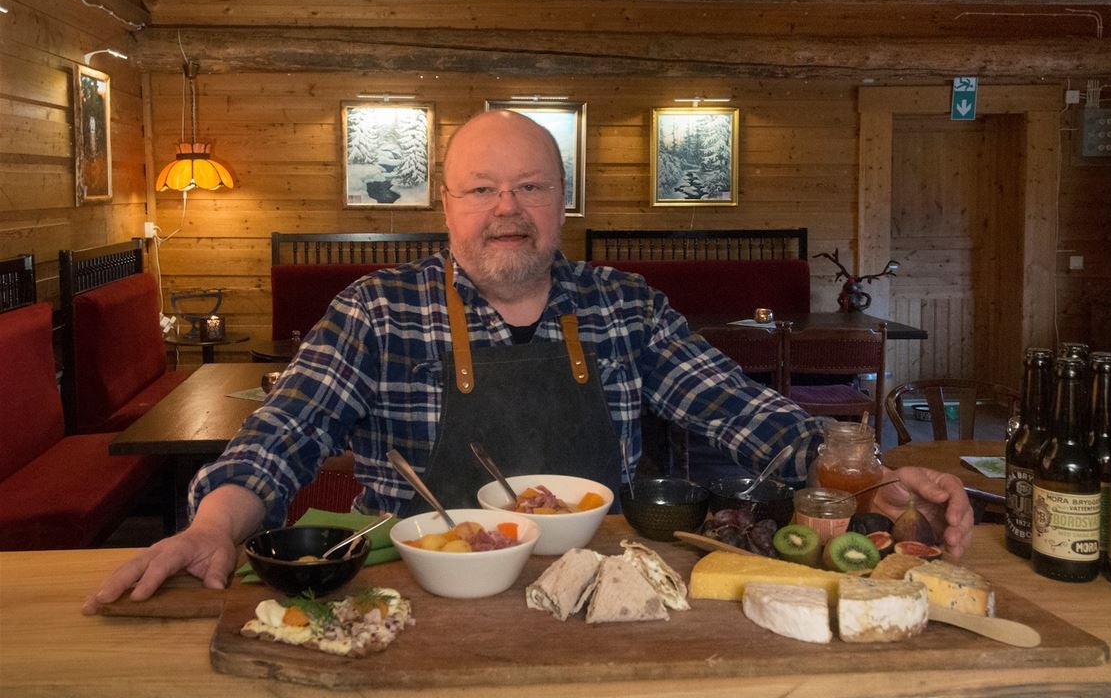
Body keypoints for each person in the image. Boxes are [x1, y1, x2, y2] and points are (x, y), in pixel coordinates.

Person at [83, 110, 972, 613]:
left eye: (531, 188)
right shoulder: (377, 311)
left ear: (560, 202)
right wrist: (212, 528)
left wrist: (866, 474)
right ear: (447, 204)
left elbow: (743, 414)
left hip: (610, 597)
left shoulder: (625, 306)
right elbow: (283, 435)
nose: (506, 210)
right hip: (414, 604)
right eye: (481, 189)